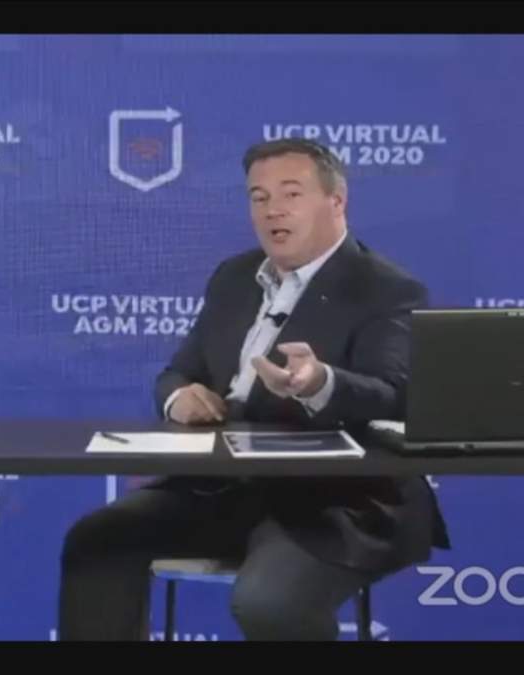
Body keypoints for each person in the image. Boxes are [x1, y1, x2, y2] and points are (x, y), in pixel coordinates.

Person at [57, 138, 450, 641]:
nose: (272, 211)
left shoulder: (385, 288)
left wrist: (321, 384)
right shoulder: (235, 277)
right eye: (258, 197)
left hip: (337, 503)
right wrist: (181, 398)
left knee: (268, 603)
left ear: (336, 201)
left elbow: (394, 394)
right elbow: (177, 372)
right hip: (227, 488)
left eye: (291, 194)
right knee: (96, 542)